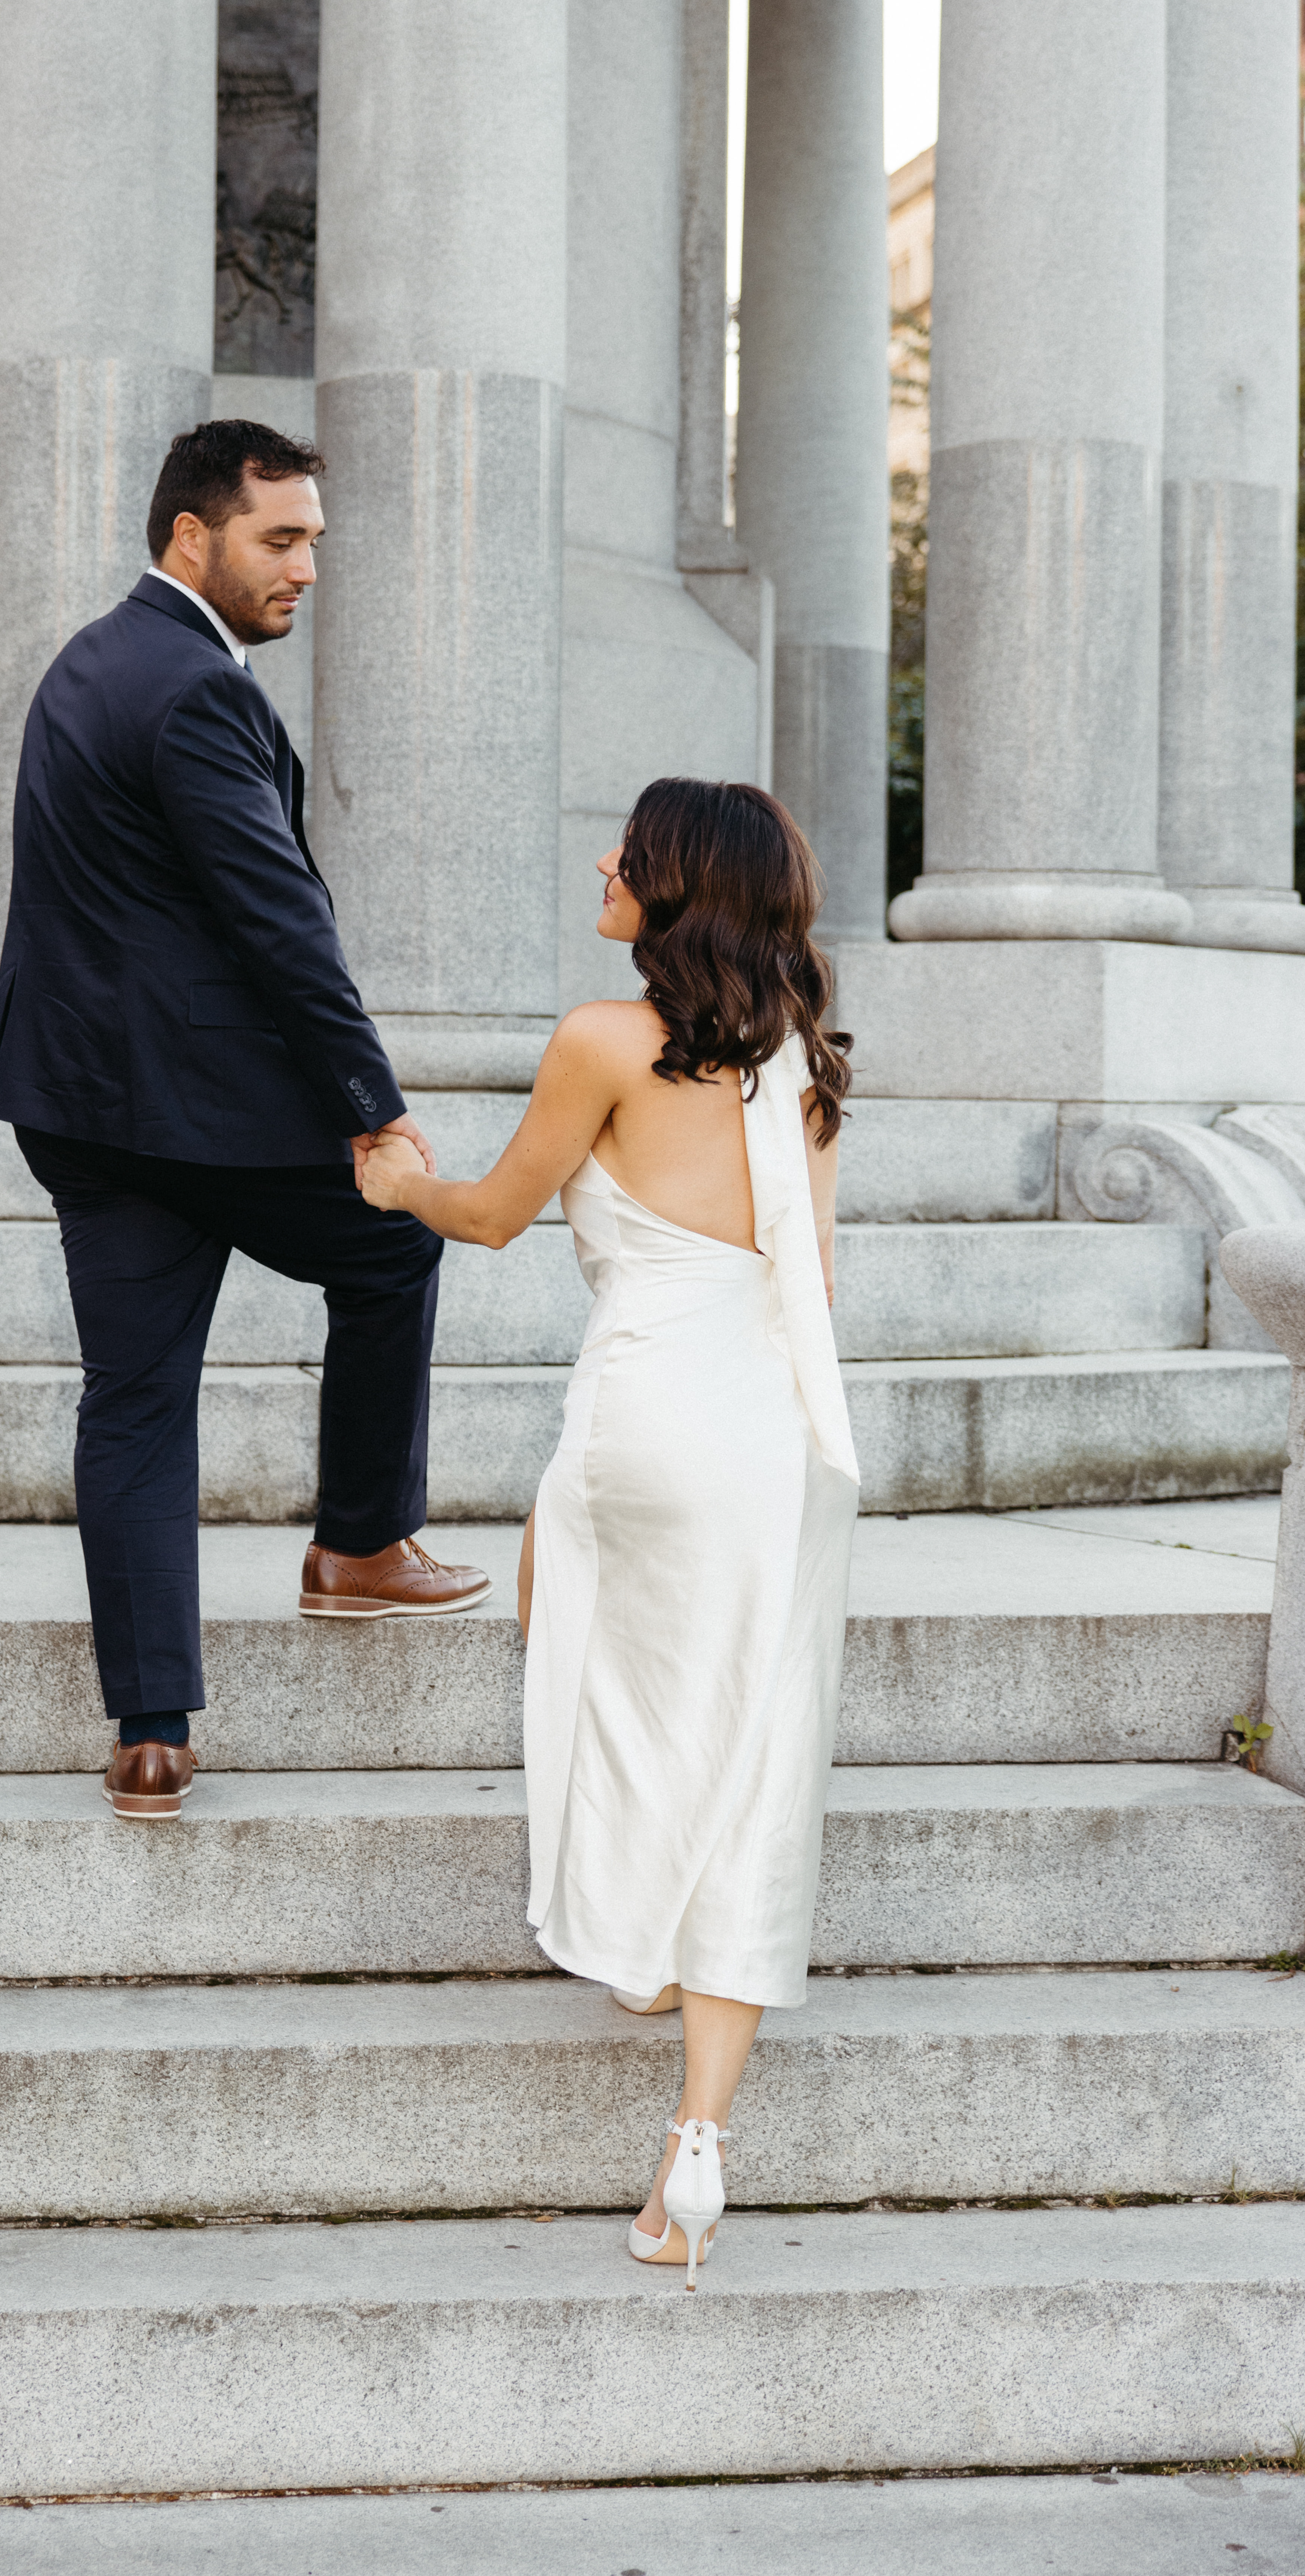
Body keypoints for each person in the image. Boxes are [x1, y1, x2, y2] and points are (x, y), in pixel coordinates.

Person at [356, 777, 858, 2283]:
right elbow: (808, 1286)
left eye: (625, 851)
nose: (601, 859)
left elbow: (500, 1213)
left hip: (640, 1418)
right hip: (769, 1432)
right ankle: (695, 2145)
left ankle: (634, 1925)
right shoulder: (806, 1069)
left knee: (585, 1654)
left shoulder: (601, 1040)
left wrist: (398, 1186)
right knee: (753, 1747)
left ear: (675, 886)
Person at [0, 418, 489, 1821]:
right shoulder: (198, 689)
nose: (309, 565)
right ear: (192, 537)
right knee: (392, 1250)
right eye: (282, 538)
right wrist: (371, 1108)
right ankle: (363, 1547)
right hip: (203, 1110)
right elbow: (278, 921)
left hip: (79, 1108)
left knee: (134, 1401)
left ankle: (154, 1732)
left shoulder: (87, 665)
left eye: (316, 537)